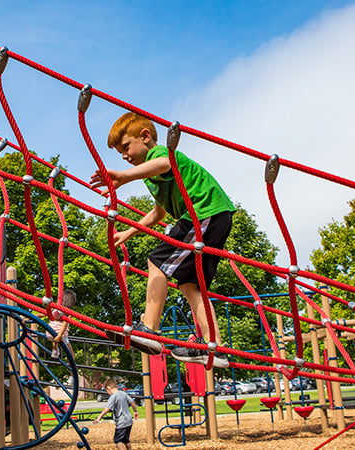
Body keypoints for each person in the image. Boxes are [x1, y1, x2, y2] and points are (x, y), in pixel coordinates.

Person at [90, 112, 234, 368]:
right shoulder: (151, 176)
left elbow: (166, 163)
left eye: (126, 147)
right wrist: (129, 232)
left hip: (203, 212)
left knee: (157, 261)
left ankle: (149, 329)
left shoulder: (160, 155)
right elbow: (159, 213)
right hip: (213, 216)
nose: (124, 155)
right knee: (190, 285)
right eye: (120, 152)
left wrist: (123, 176)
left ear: (145, 137)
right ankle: (216, 348)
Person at [93, 378, 140, 450]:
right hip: (129, 421)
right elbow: (132, 402)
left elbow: (108, 408)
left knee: (118, 440)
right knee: (126, 439)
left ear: (108, 388)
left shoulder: (113, 397)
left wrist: (99, 417)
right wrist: (135, 411)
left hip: (121, 422)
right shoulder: (123, 393)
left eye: (106, 390)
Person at [46, 290, 76, 358]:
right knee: (67, 344)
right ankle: (72, 357)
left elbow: (43, 313)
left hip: (50, 332)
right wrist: (59, 335)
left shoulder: (55, 307)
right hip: (61, 334)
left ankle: (55, 349)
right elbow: (65, 323)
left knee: (54, 337)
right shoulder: (69, 312)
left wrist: (29, 317)